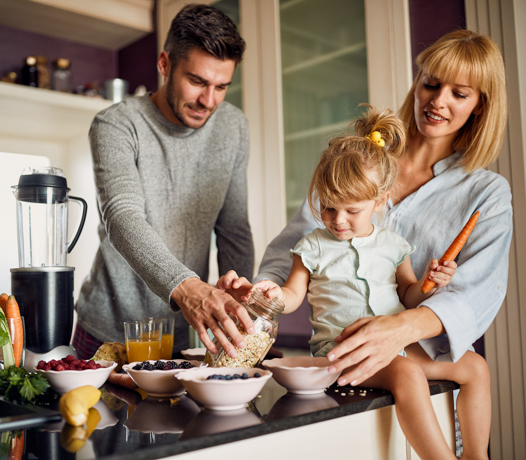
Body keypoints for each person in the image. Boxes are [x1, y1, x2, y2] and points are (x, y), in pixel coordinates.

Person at [219, 29, 511, 459]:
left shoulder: (486, 192)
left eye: (459, 93)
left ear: (480, 104)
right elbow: (292, 250)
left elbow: (477, 290)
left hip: (427, 393)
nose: (438, 101)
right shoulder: (356, 166)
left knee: (474, 371)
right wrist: (265, 297)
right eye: (430, 83)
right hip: (356, 378)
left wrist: (405, 322)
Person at [74, 4, 255, 361]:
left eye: (222, 86)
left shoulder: (234, 127)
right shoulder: (116, 125)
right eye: (197, 82)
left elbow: (234, 228)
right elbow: (122, 217)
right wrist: (187, 290)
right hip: (108, 333)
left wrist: (240, 312)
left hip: (187, 335)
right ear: (164, 64)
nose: (209, 101)